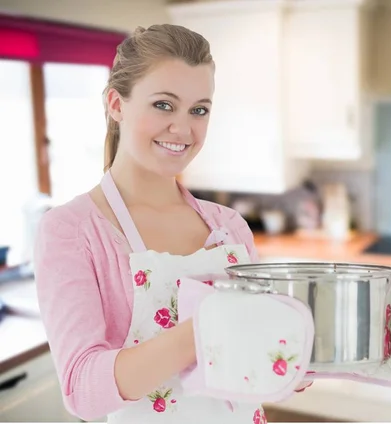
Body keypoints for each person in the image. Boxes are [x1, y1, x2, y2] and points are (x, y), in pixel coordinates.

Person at [33, 24, 308, 424]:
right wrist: (208, 328)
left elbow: (260, 368)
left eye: (199, 109)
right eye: (164, 104)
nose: (183, 129)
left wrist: (307, 352)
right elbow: (82, 390)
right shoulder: (73, 231)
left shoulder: (229, 227)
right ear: (116, 104)